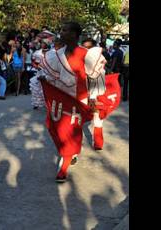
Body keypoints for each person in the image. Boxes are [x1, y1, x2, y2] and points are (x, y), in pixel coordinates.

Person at [38, 22, 115, 183]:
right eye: (61, 29)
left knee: (71, 131)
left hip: (79, 100)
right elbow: (53, 77)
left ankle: (64, 166)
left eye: (64, 30)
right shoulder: (56, 55)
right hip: (61, 99)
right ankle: (70, 153)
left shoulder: (88, 55)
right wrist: (45, 80)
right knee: (55, 128)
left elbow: (96, 78)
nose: (61, 32)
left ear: (74, 34)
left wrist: (94, 97)